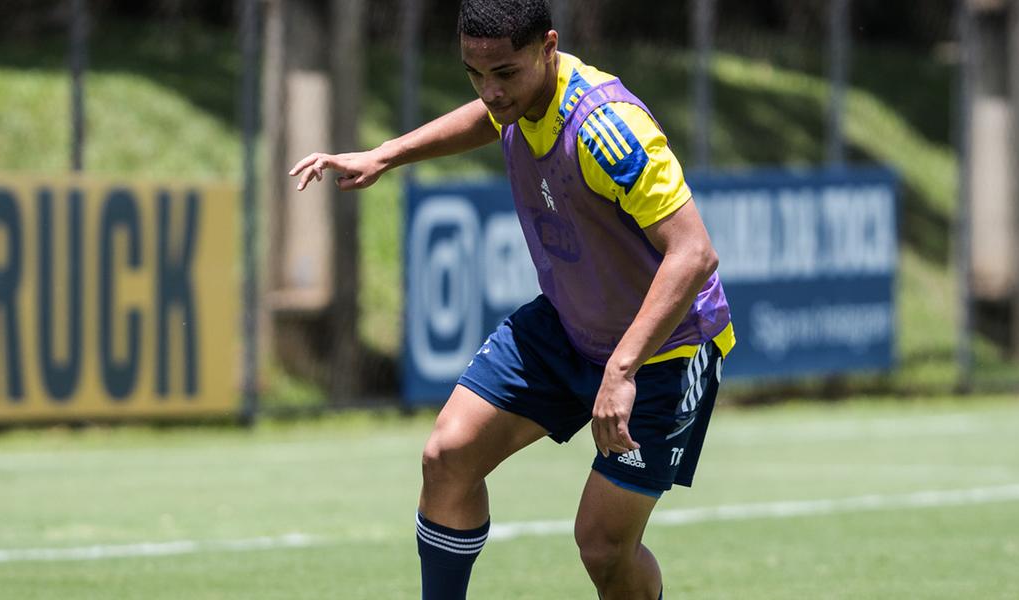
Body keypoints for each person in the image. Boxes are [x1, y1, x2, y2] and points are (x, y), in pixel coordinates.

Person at [289, 1, 734, 597]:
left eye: (504, 74)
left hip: (662, 352)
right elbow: (488, 117)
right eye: (475, 74)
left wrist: (621, 370)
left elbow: (693, 254)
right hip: (570, 325)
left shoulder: (610, 130)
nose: (490, 91)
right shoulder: (517, 98)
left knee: (602, 546)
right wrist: (386, 154)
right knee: (448, 455)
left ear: (549, 47)